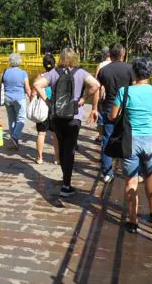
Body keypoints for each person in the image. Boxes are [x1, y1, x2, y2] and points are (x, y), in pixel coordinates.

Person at [109, 57, 152, 233]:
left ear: (133, 72)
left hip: (130, 140)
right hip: (151, 139)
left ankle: (133, 221)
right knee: (150, 175)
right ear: (150, 72)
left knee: (131, 180)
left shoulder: (124, 91)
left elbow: (113, 116)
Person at [33, 48, 100, 197]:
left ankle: (65, 179)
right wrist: (83, 99)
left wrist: (48, 101)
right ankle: (66, 185)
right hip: (74, 116)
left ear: (61, 58)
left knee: (62, 147)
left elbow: (37, 84)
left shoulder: (54, 73)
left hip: (57, 115)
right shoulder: (81, 73)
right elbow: (96, 85)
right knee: (69, 150)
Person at [96, 43, 133, 183]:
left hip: (109, 108)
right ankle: (130, 171)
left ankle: (107, 172)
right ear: (123, 54)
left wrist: (94, 108)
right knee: (128, 138)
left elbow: (98, 89)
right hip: (126, 109)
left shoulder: (104, 70)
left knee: (107, 138)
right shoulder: (130, 69)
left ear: (110, 55)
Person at [34, 54, 59, 165]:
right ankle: (57, 158)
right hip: (54, 106)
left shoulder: (40, 77)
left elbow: (34, 93)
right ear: (54, 64)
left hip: (42, 107)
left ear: (44, 65)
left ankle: (40, 158)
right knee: (55, 134)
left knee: (41, 133)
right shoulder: (58, 76)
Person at [2, 53, 31, 149]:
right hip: (19, 98)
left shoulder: (5, 72)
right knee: (21, 119)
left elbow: (2, 85)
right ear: (19, 61)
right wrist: (31, 97)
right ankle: (15, 137)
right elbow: (27, 88)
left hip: (7, 98)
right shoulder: (23, 73)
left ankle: (13, 142)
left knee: (11, 120)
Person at [94, 47, 111, 145]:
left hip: (102, 94)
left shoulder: (100, 65)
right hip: (113, 95)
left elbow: (96, 82)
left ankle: (101, 135)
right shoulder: (115, 64)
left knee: (101, 116)